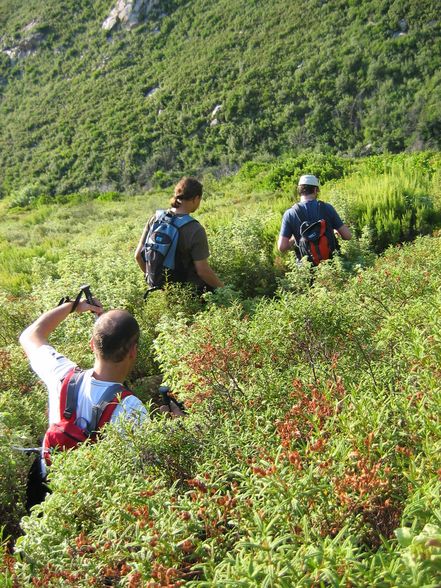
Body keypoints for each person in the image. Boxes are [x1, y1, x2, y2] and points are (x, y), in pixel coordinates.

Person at [135, 176, 224, 292]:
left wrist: (155, 280)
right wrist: (224, 289)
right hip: (188, 294)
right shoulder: (195, 229)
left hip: (158, 290)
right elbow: (203, 271)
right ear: (195, 199)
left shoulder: (155, 219)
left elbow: (138, 256)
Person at [278, 174, 352, 260]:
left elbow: (282, 247)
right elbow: (348, 236)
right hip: (332, 264)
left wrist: (295, 238)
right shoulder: (327, 208)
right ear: (315, 189)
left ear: (299, 191)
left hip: (306, 268)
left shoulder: (290, 214)